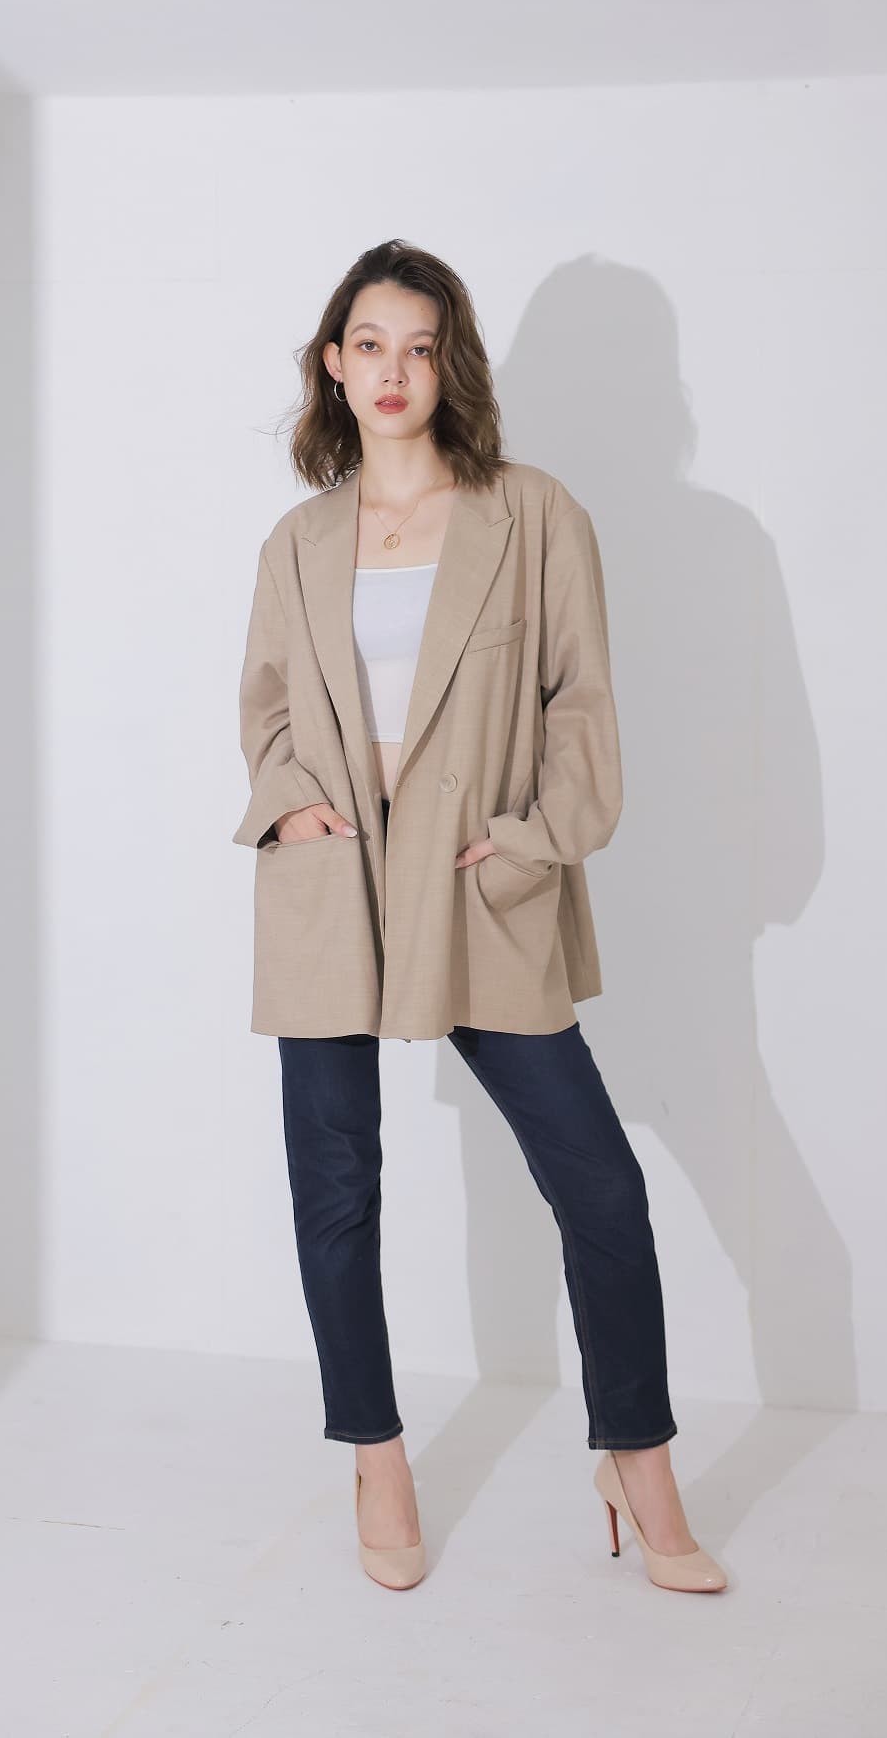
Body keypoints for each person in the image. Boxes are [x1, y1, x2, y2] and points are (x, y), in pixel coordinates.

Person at [233, 238, 727, 1595]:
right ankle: (375, 1454)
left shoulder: (531, 513)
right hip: (332, 880)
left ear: (451, 364)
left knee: (598, 1183)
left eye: (421, 345)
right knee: (336, 1181)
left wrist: (529, 842)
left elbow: (583, 705)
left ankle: (635, 1456)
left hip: (475, 875)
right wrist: (290, 808)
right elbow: (265, 707)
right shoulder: (300, 540)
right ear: (334, 365)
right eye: (370, 344)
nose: (394, 370)